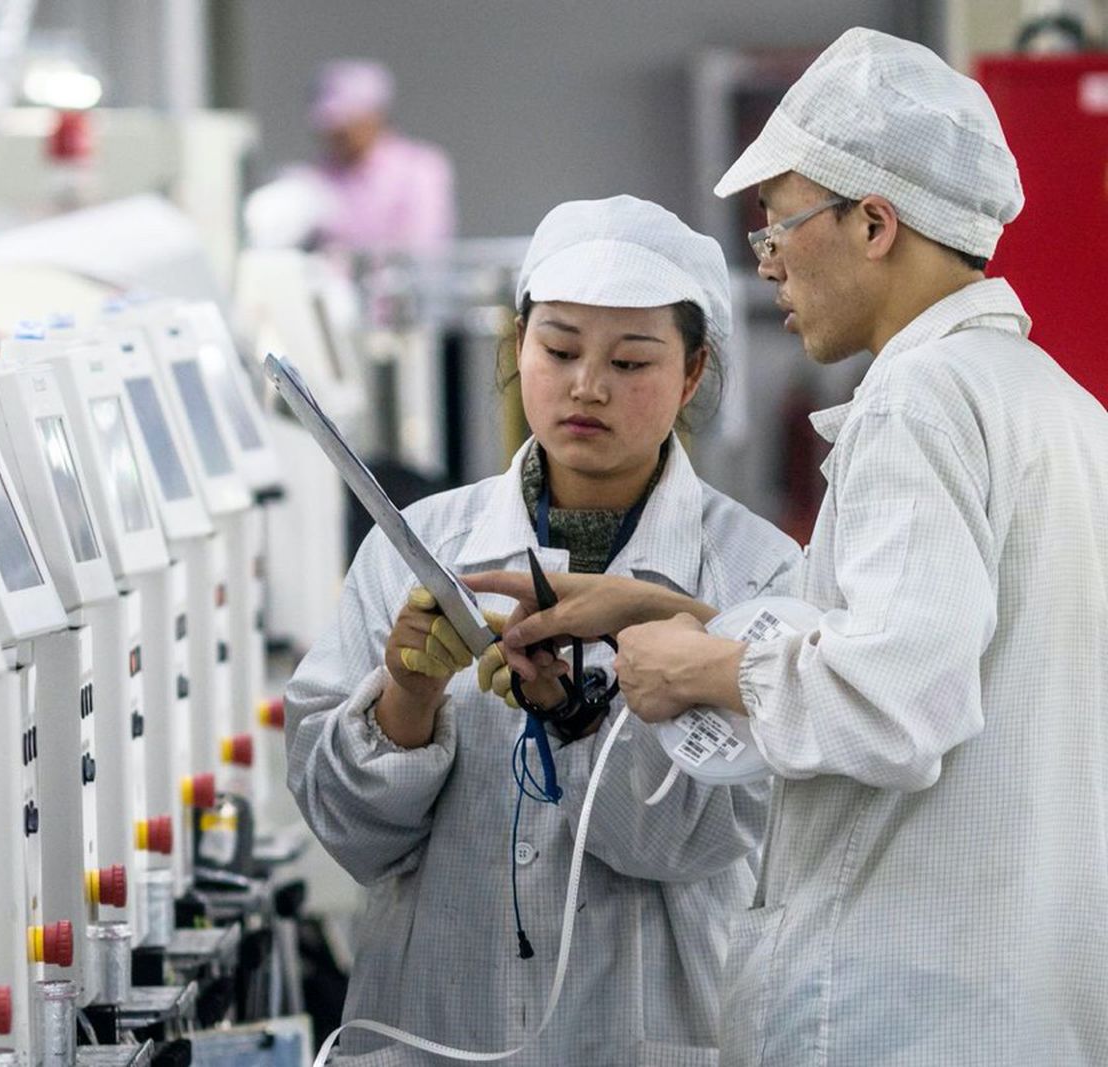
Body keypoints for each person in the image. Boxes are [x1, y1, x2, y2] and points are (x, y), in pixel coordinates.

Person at [492, 28, 1108, 1065]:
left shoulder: (917, 400)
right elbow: (940, 652)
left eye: (778, 224)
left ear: (873, 222)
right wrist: (674, 617)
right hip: (1019, 1001)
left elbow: (897, 704)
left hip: (905, 1014)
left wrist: (701, 669)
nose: (766, 261)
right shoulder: (1055, 402)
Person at [284, 195, 799, 1065]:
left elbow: (694, 839)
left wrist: (574, 713)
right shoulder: (417, 548)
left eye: (630, 361)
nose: (587, 386)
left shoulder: (758, 576)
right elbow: (351, 837)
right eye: (559, 350)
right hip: (436, 1025)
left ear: (691, 372)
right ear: (518, 346)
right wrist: (408, 698)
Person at [306, 58, 455, 255]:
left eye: (347, 124)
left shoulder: (419, 169)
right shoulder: (314, 177)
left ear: (375, 116)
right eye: (330, 127)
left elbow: (424, 247)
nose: (334, 134)